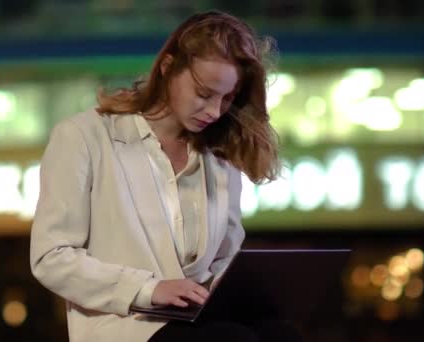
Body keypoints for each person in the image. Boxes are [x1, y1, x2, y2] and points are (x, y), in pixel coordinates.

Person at [30, 10, 300, 342]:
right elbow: (51, 257)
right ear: (167, 66)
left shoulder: (219, 156)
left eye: (227, 99)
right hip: (125, 327)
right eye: (204, 94)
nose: (215, 111)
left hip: (197, 323)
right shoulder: (84, 136)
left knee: (280, 334)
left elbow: (223, 263)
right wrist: (149, 289)